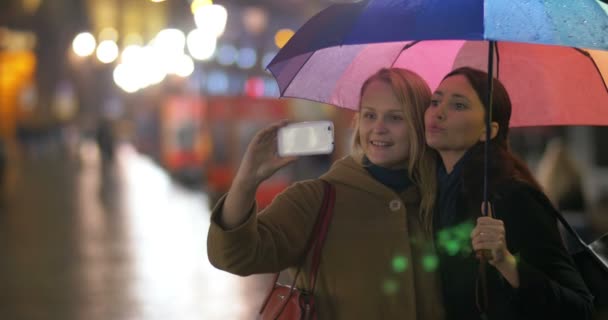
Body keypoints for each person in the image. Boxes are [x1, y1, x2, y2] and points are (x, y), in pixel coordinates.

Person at [207, 68, 445, 319]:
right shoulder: (316, 198)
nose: (378, 128)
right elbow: (235, 256)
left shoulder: (440, 196)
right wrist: (246, 182)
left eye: (395, 118)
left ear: (420, 124)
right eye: (369, 115)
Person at [424, 67, 594, 319]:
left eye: (458, 106)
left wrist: (506, 262)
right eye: (435, 101)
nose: (438, 112)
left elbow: (579, 307)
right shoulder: (428, 192)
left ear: (488, 131)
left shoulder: (512, 196)